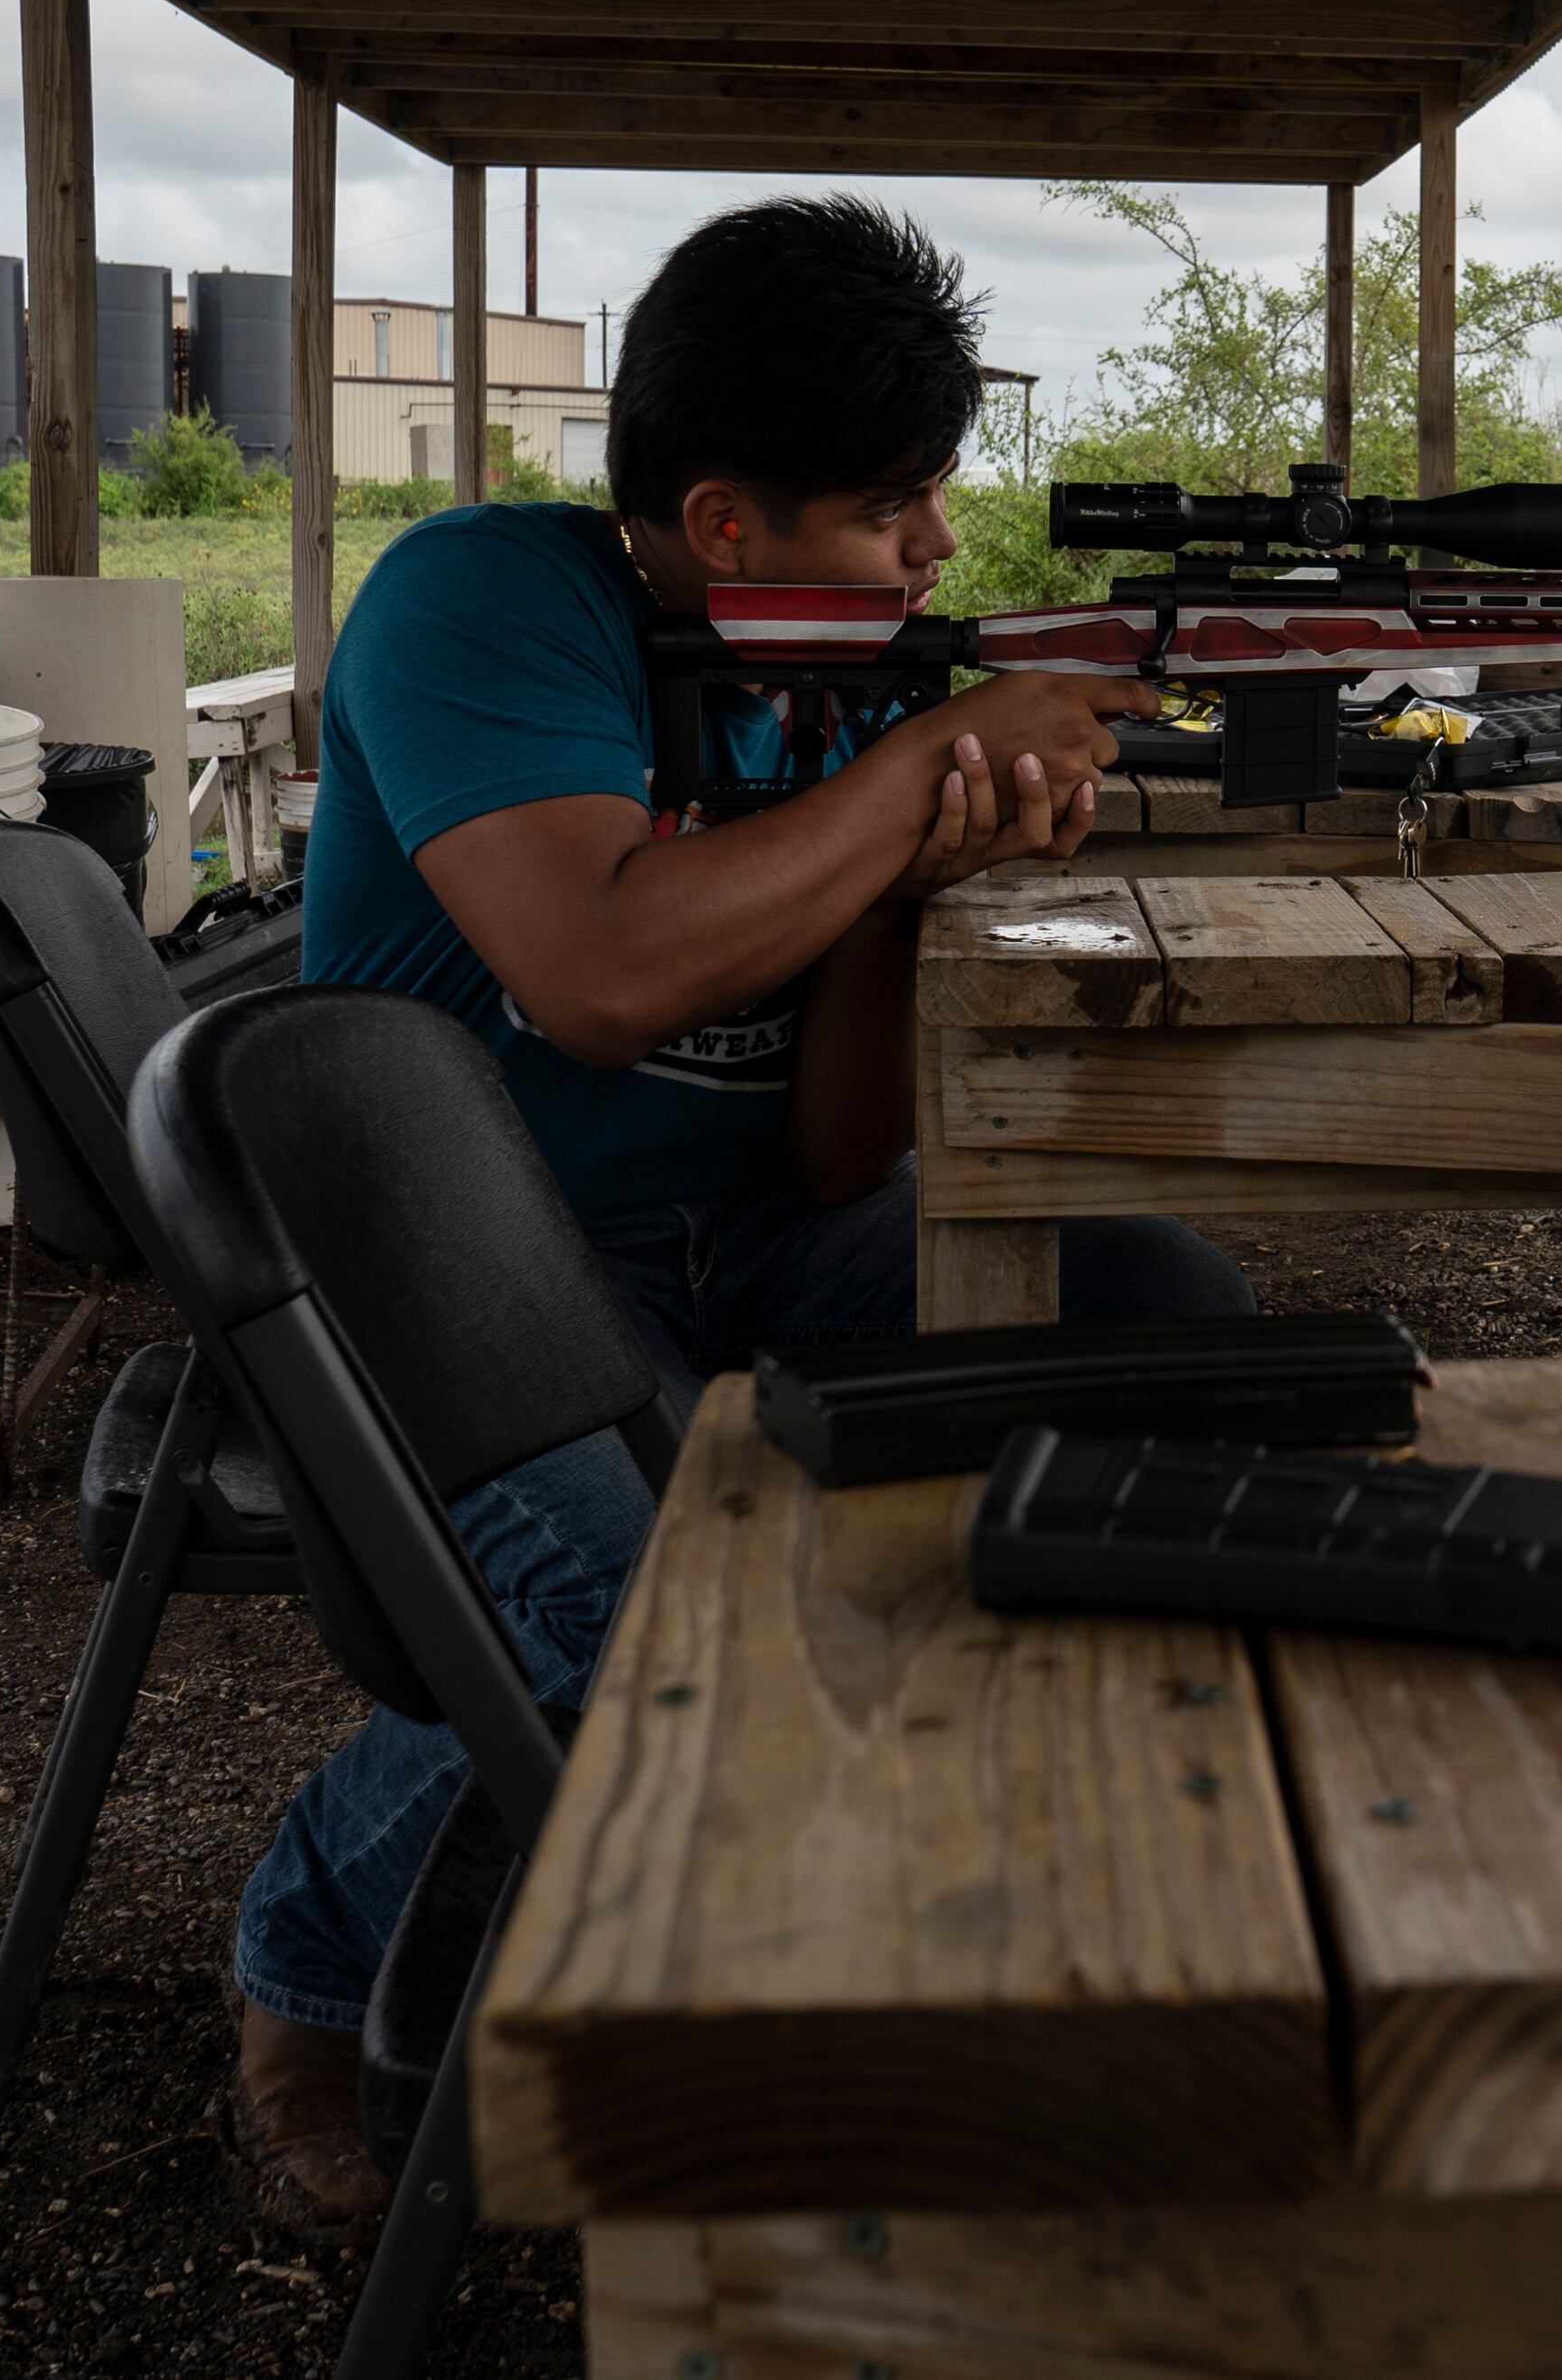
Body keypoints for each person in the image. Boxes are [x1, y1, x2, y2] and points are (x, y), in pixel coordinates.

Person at [217, 196, 1254, 2233]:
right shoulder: (479, 601)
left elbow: (832, 1149)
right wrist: (928, 758)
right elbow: (599, 972)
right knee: (664, 1627)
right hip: (462, 1261)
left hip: (740, 1236)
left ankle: (1036, 1894)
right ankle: (318, 1957)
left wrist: (911, 873)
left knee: (1170, 1327)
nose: (940, 549)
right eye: (894, 506)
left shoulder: (840, 684)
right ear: (720, 518)